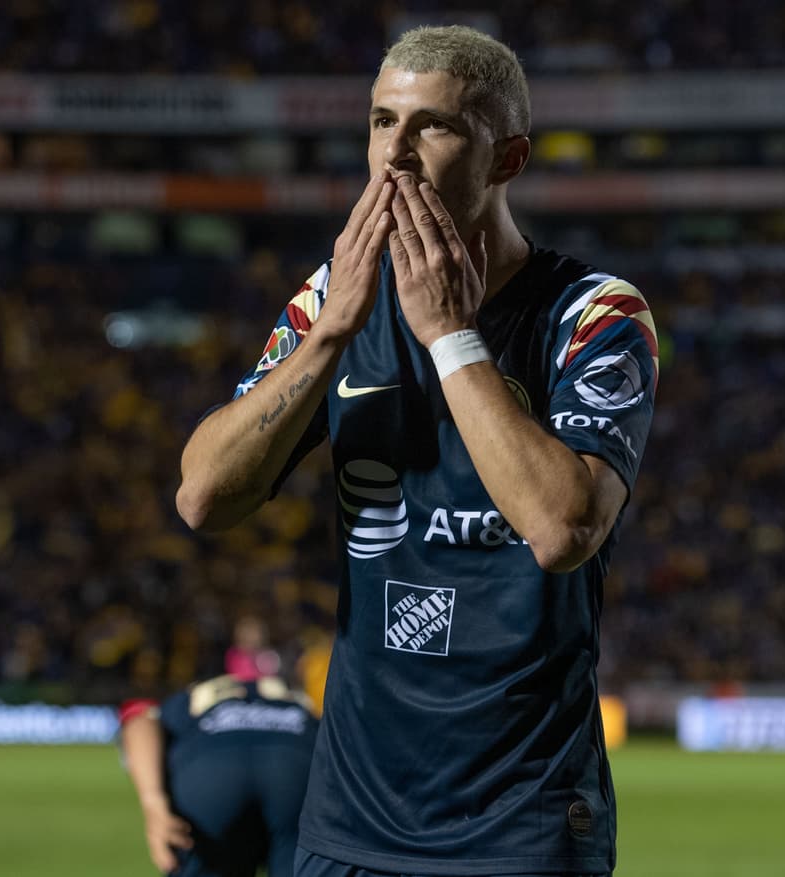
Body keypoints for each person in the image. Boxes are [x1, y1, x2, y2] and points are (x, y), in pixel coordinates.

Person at [176, 25, 657, 876]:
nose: (393, 153)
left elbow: (563, 528)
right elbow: (204, 497)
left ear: (507, 159)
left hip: (521, 822)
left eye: (431, 127)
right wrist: (326, 339)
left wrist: (451, 336)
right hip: (350, 819)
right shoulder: (334, 298)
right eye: (379, 121)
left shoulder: (595, 313)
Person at [119, 672, 318, 877]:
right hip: (297, 766)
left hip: (211, 771)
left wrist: (154, 803)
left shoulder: (195, 696)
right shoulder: (296, 700)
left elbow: (140, 722)